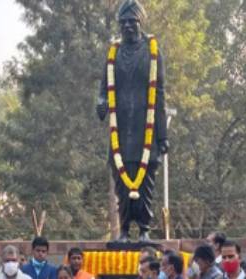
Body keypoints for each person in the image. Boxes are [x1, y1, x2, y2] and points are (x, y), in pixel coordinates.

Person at [96, 0, 168, 242]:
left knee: (146, 182)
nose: (127, 26)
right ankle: (125, 230)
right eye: (123, 22)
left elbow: (160, 94)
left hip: (144, 127)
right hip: (121, 130)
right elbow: (103, 90)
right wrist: (101, 104)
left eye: (132, 21)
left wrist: (163, 135)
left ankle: (145, 231)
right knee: (122, 185)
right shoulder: (112, 54)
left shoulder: (153, 52)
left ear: (140, 22)